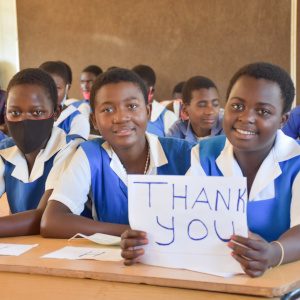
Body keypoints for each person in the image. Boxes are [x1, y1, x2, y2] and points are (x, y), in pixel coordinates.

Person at [120, 62, 300, 278]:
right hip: (215, 280)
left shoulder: (295, 162)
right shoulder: (205, 153)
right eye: (238, 106)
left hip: (283, 283)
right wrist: (142, 241)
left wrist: (273, 253)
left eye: (263, 111)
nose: (246, 117)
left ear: (282, 120)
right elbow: (182, 219)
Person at [40, 68, 195, 238]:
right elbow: (52, 221)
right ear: (94, 121)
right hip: (111, 263)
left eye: (132, 106)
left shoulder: (186, 155)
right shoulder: (90, 155)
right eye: (108, 110)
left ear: (148, 112)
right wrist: (129, 233)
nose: (121, 117)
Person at [0, 68, 82, 237]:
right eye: (15, 112)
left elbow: (44, 217)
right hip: (26, 248)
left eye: (37, 112)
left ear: (56, 113)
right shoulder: (5, 150)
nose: (24, 120)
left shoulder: (71, 149)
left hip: (69, 250)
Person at [39, 61, 89, 140]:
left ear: (67, 88)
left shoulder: (76, 120)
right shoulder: (29, 115)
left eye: (57, 88)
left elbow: (71, 151)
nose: (50, 93)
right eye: (43, 87)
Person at [166, 76, 224, 142]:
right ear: (185, 110)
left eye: (215, 105)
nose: (210, 111)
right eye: (202, 105)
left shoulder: (226, 128)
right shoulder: (179, 130)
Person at [132, 65, 178, 136]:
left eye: (141, 89)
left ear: (151, 91)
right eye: (131, 89)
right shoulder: (125, 114)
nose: (135, 94)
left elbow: (175, 146)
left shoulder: (167, 117)